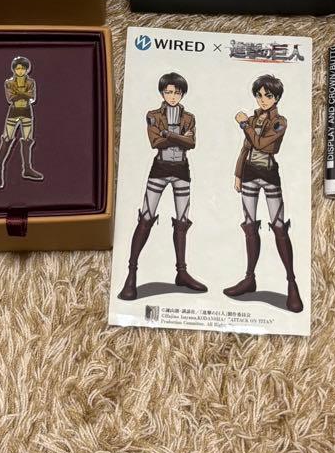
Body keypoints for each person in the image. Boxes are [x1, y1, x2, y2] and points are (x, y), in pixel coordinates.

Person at [118, 72, 207, 300]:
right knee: (146, 217)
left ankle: (182, 273)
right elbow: (155, 142)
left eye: (177, 92)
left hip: (182, 170)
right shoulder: (153, 115)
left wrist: (168, 133)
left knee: (182, 221)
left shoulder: (190, 117)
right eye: (168, 92)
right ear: (162, 93)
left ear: (182, 93)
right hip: (160, 168)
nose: (172, 96)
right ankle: (131, 274)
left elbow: (192, 143)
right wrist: (178, 137)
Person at [223, 74, 303, 312]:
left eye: (268, 95)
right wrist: (238, 174)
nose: (263, 99)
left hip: (268, 174)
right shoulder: (253, 118)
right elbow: (246, 148)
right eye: (259, 95)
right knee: (249, 226)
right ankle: (250, 278)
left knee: (279, 227)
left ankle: (292, 284)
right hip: (249, 173)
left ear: (277, 97)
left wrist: (244, 125)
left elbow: (262, 144)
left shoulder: (280, 122)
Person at [0, 56, 44, 187]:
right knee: (6, 139)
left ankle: (27, 169)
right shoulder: (9, 82)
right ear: (14, 69)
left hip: (27, 112)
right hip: (13, 112)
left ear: (27, 69)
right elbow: (11, 98)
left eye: (23, 68)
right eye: (18, 68)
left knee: (27, 140)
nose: (20, 70)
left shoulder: (31, 82)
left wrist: (19, 94)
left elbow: (32, 97)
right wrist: (24, 94)